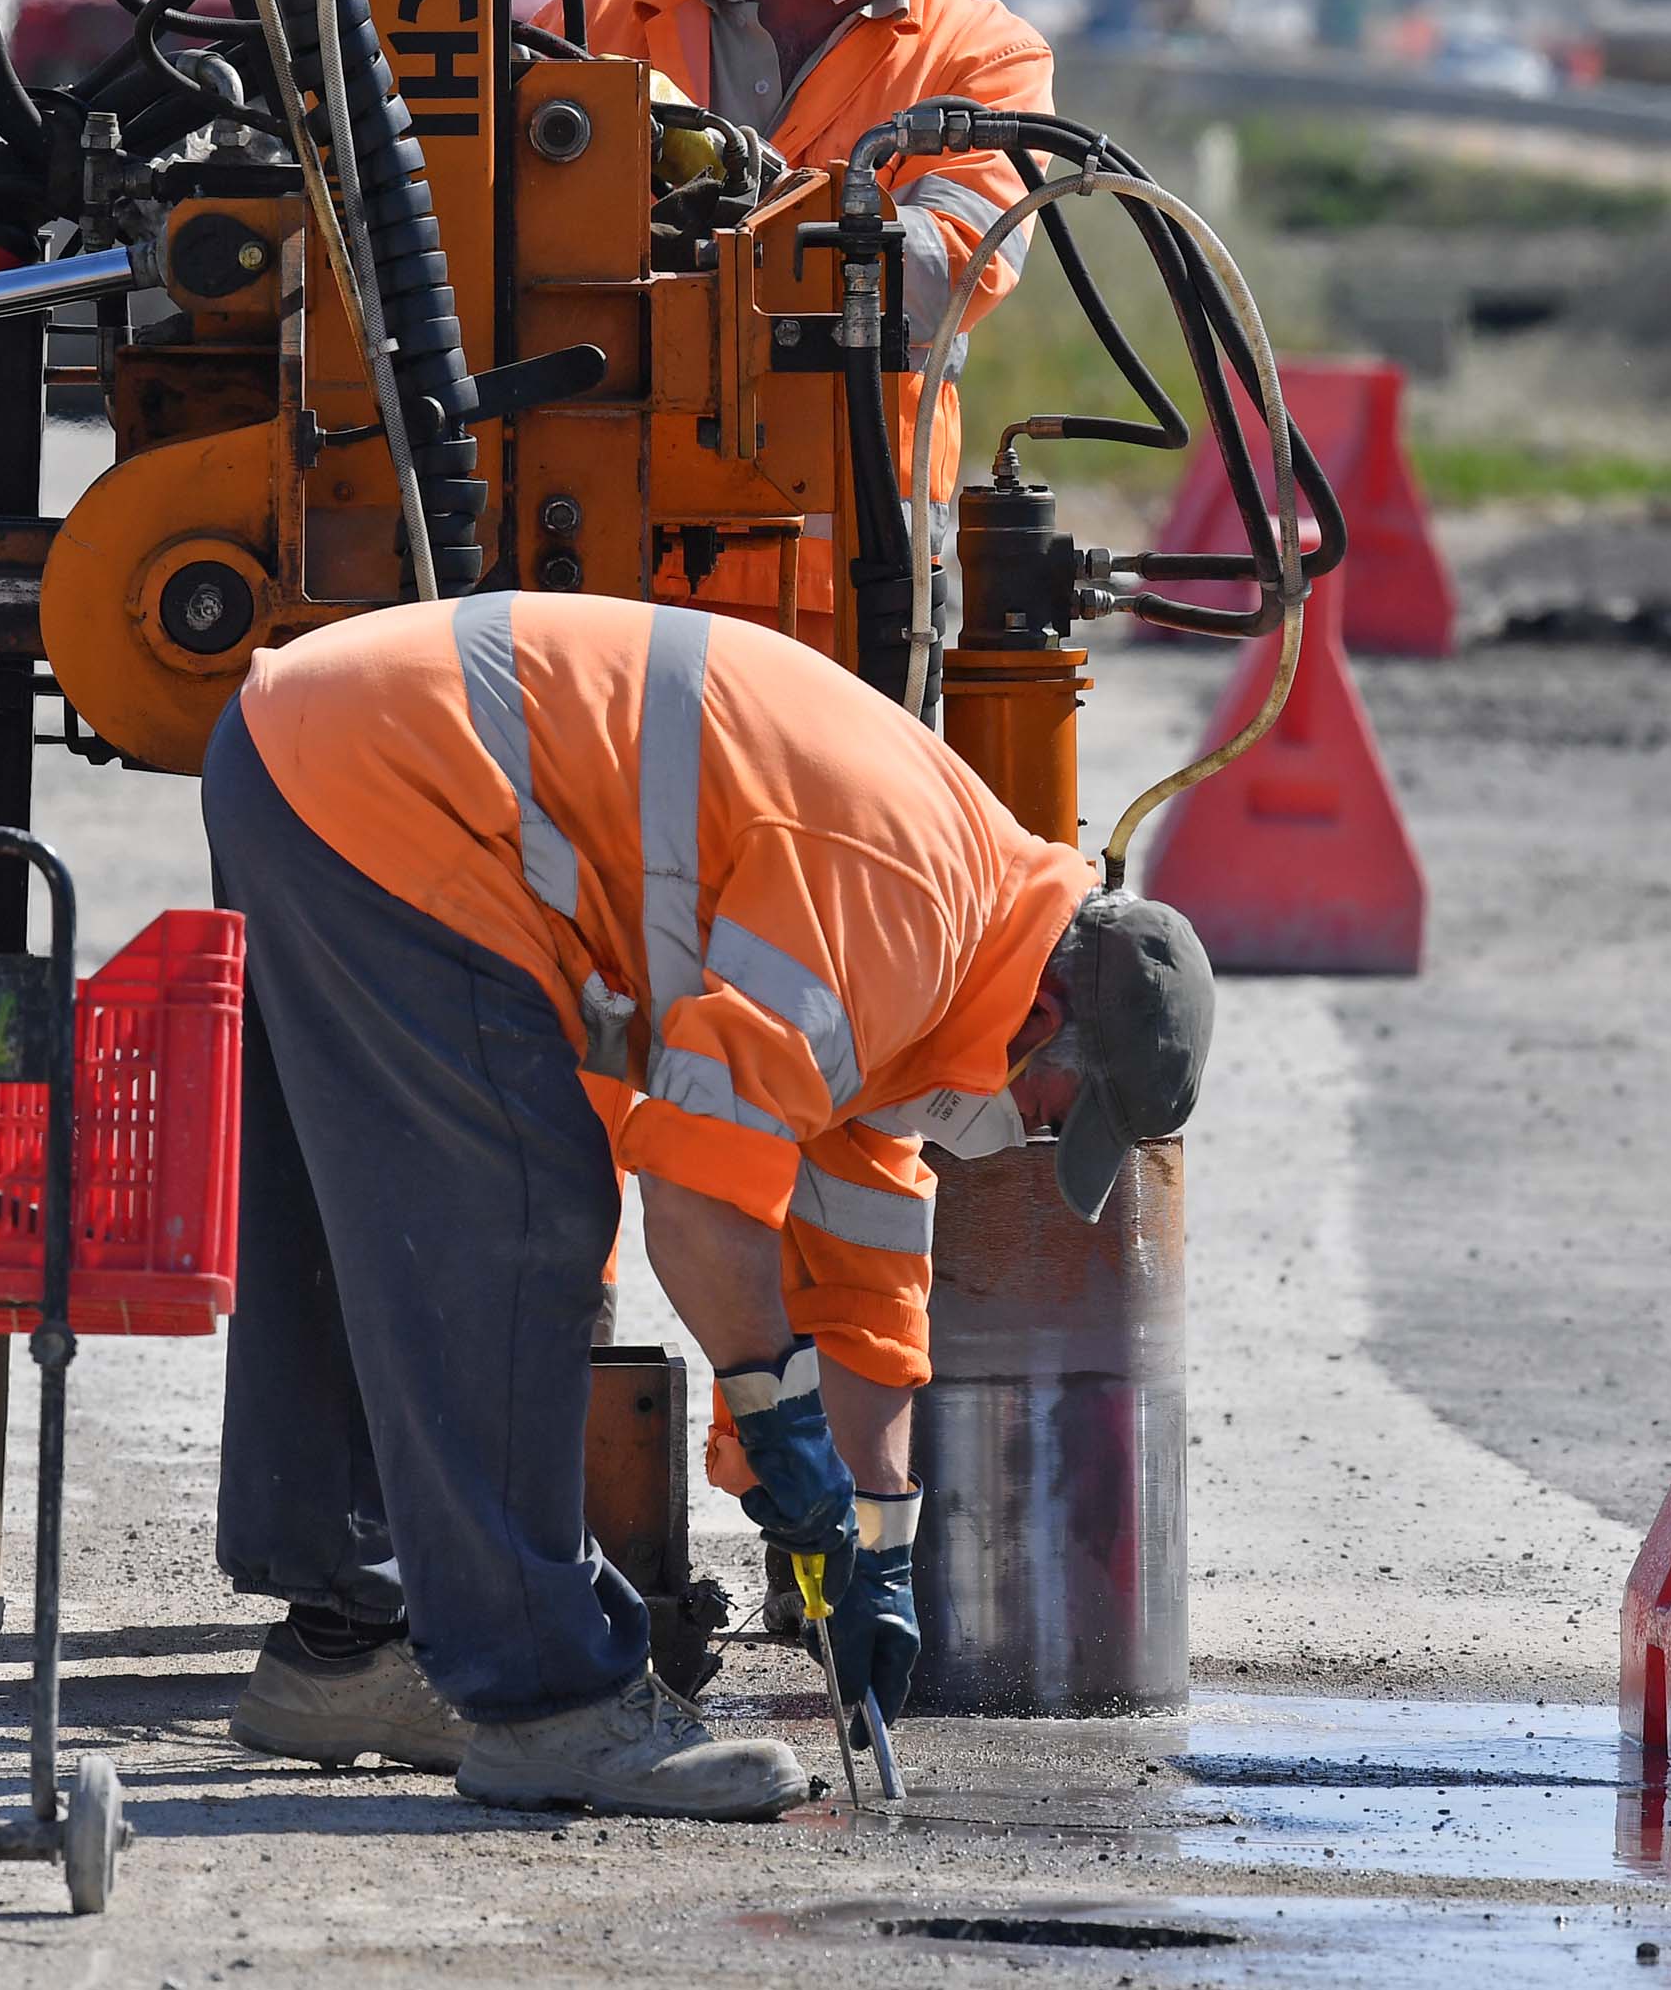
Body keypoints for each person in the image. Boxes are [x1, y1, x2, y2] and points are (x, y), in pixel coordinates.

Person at [204, 592, 1214, 1819]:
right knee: (527, 1220)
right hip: (398, 781)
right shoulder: (901, 912)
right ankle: (550, 1700)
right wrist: (773, 1416)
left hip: (312, 750)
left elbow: (866, 1285)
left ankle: (349, 1645)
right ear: (1050, 1024)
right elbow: (697, 1194)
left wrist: (880, 1555)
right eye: (1060, 1111)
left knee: (359, 1208)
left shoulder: (948, 968)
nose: (1035, 1135)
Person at [539, 0, 1045, 653]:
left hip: (846, 581)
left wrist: (711, 221)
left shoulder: (983, 60)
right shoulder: (594, 26)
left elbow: (943, 275)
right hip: (607, 558)